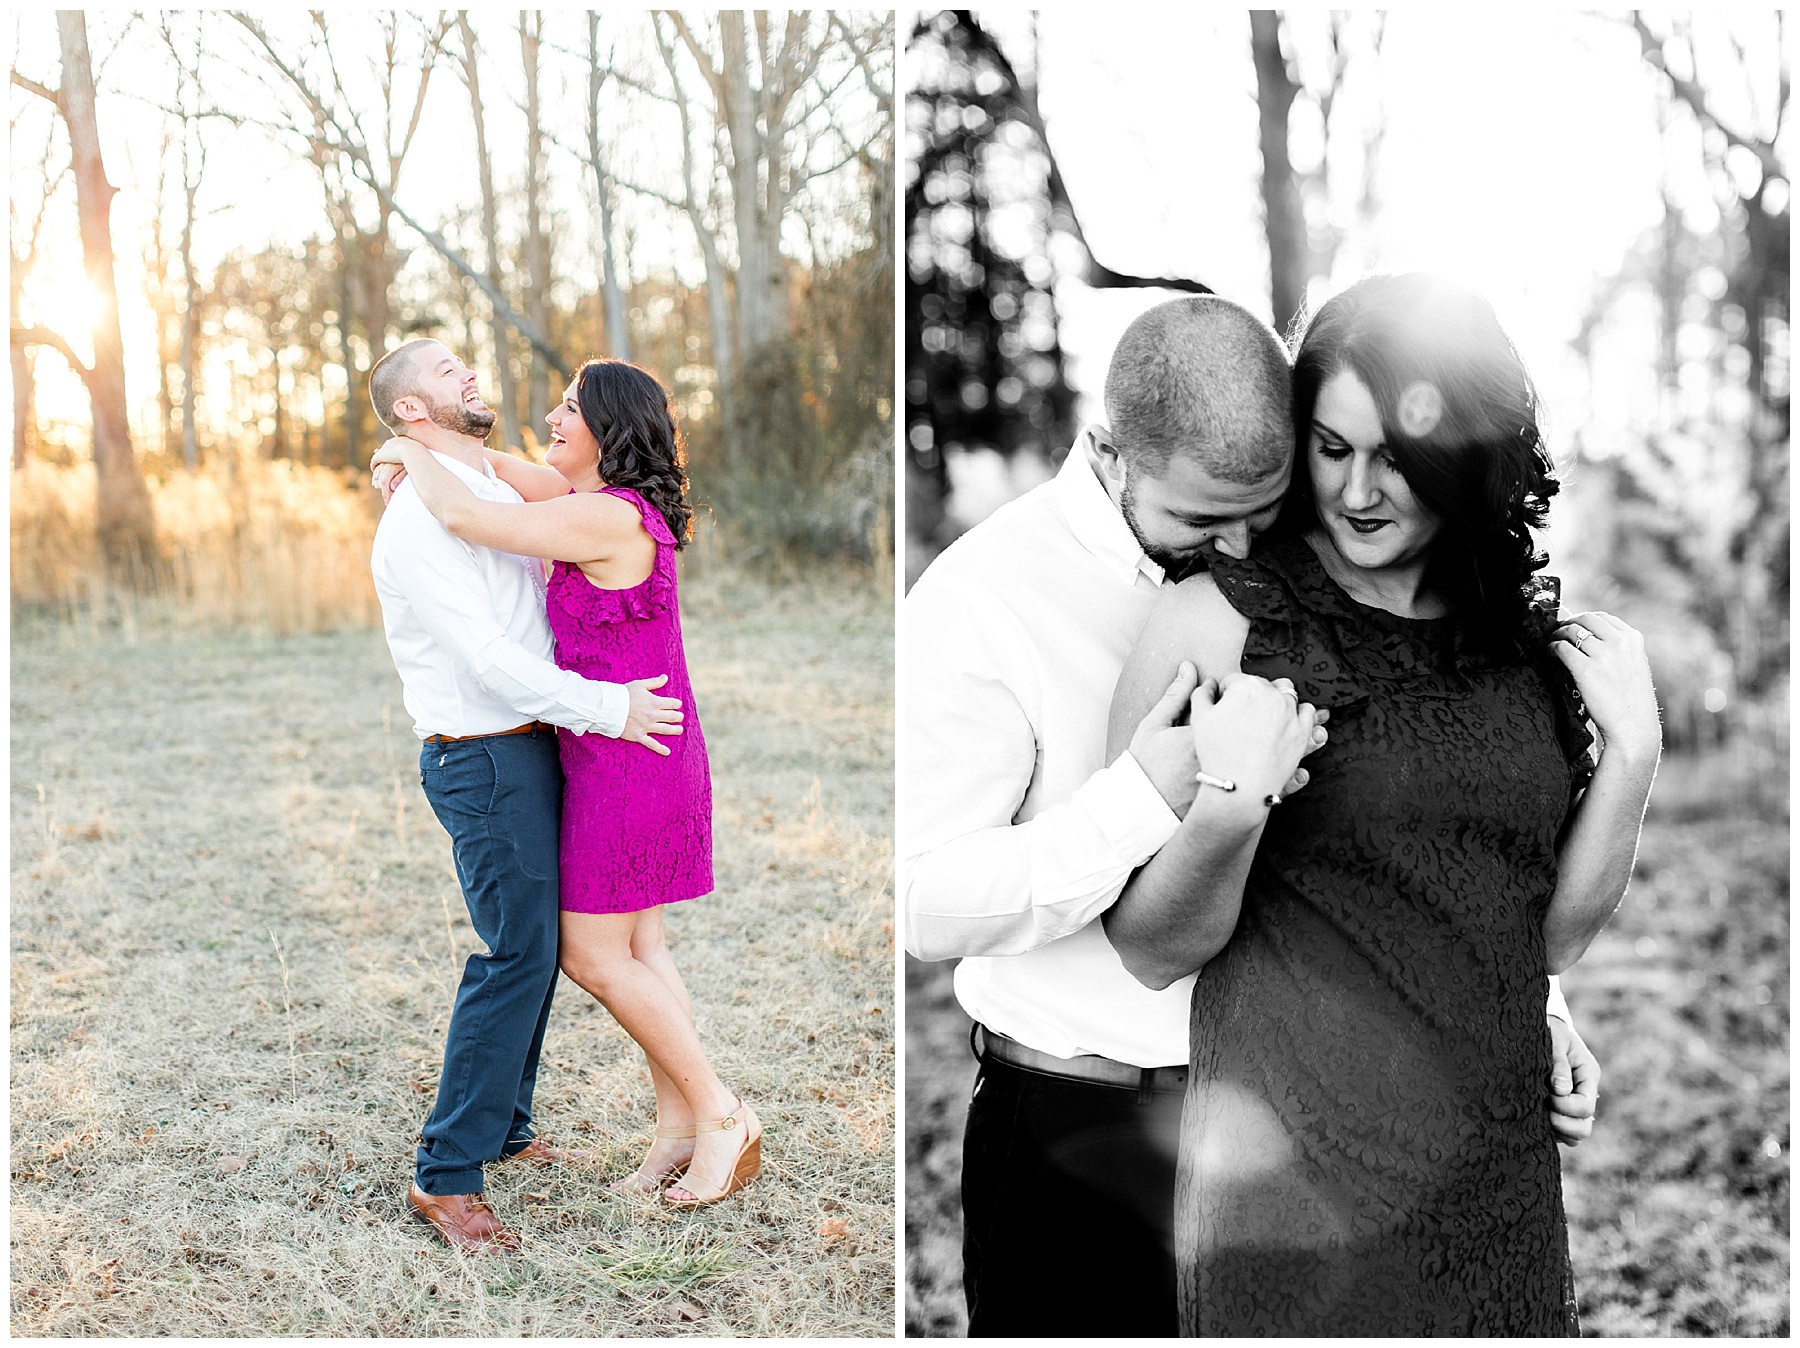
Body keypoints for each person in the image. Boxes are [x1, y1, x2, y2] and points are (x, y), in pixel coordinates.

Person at [903, 295, 1603, 1336]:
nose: (1238, 549)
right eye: (1201, 523)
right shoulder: (985, 600)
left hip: (1295, 1139)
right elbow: (921, 903)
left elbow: (1402, 835)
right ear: (1112, 457)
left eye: (1261, 515)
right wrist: (1142, 800)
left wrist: (1537, 1004)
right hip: (1092, 1120)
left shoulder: (1300, 571)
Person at [1104, 275, 1660, 1334]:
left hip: (1496, 1174)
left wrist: (1634, 754)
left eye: (1397, 456)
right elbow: (1147, 946)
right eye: (1331, 448)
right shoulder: (1218, 623)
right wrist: (1234, 803)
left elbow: (1544, 938)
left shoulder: (1514, 636)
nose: (1359, 490)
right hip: (1294, 1194)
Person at [373, 357, 759, 1212]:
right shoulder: (583, 498)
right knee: (641, 951)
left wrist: (406, 448)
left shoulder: (598, 515)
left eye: (570, 408)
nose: (551, 416)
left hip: (623, 747)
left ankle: (719, 1111)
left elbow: (470, 511)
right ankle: (679, 1128)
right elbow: (484, 472)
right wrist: (405, 448)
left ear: (606, 431)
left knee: (592, 955)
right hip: (619, 741)